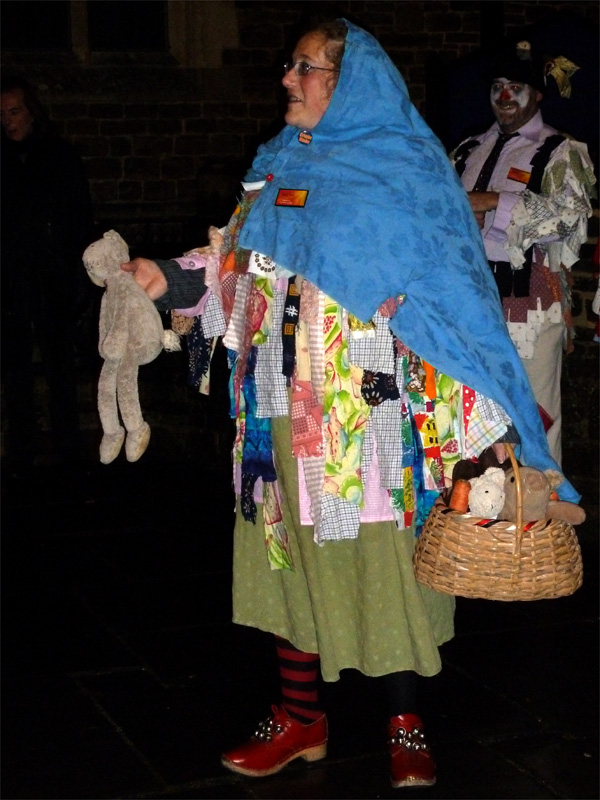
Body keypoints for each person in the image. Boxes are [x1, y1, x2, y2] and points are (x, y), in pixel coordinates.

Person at [122, 19, 582, 789]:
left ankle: (405, 722)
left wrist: (483, 411)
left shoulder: (405, 169)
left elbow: (451, 293)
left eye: (301, 68)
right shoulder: (277, 163)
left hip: (368, 411)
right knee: (287, 547)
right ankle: (300, 718)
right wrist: (171, 276)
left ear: (346, 82)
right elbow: (242, 258)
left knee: (385, 559)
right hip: (281, 397)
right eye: (291, 65)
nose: (286, 79)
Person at [451, 41, 596, 466]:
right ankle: (473, 527)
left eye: (515, 86)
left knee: (534, 419)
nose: (504, 95)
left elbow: (570, 219)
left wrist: (494, 203)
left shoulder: (560, 152)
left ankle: (536, 525)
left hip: (527, 303)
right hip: (467, 302)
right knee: (469, 419)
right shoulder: (464, 151)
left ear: (536, 94)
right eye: (497, 86)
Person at [1, 76, 95, 473]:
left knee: (60, 365)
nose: (9, 122)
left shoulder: (58, 157)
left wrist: (76, 273)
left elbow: (77, 218)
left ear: (32, 111)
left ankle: (68, 446)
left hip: (52, 276)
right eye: (2, 115)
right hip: (12, 280)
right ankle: (21, 449)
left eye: (15, 112)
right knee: (15, 368)